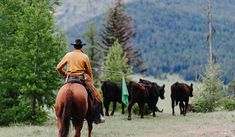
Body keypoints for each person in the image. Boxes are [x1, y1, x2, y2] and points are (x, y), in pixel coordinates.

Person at [56, 38, 105, 124]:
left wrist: (64, 74)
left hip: (70, 78)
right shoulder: (85, 56)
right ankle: (98, 117)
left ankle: (58, 114)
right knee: (97, 97)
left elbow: (58, 68)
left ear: (74, 46)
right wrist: (90, 82)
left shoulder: (68, 55)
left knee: (59, 95)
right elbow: (89, 72)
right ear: (81, 47)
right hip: (80, 79)